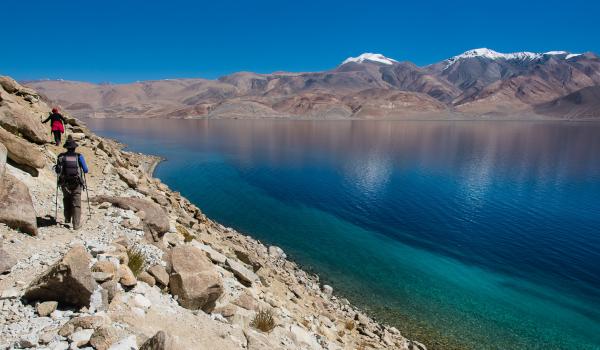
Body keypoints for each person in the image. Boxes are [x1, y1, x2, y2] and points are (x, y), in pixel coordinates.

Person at [55, 136, 89, 229]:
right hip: (76, 183)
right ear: (74, 147)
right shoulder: (79, 156)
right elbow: (85, 170)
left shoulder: (61, 156)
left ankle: (67, 219)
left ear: (66, 147)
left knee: (66, 200)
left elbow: (57, 171)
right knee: (76, 204)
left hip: (64, 183)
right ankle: (76, 225)